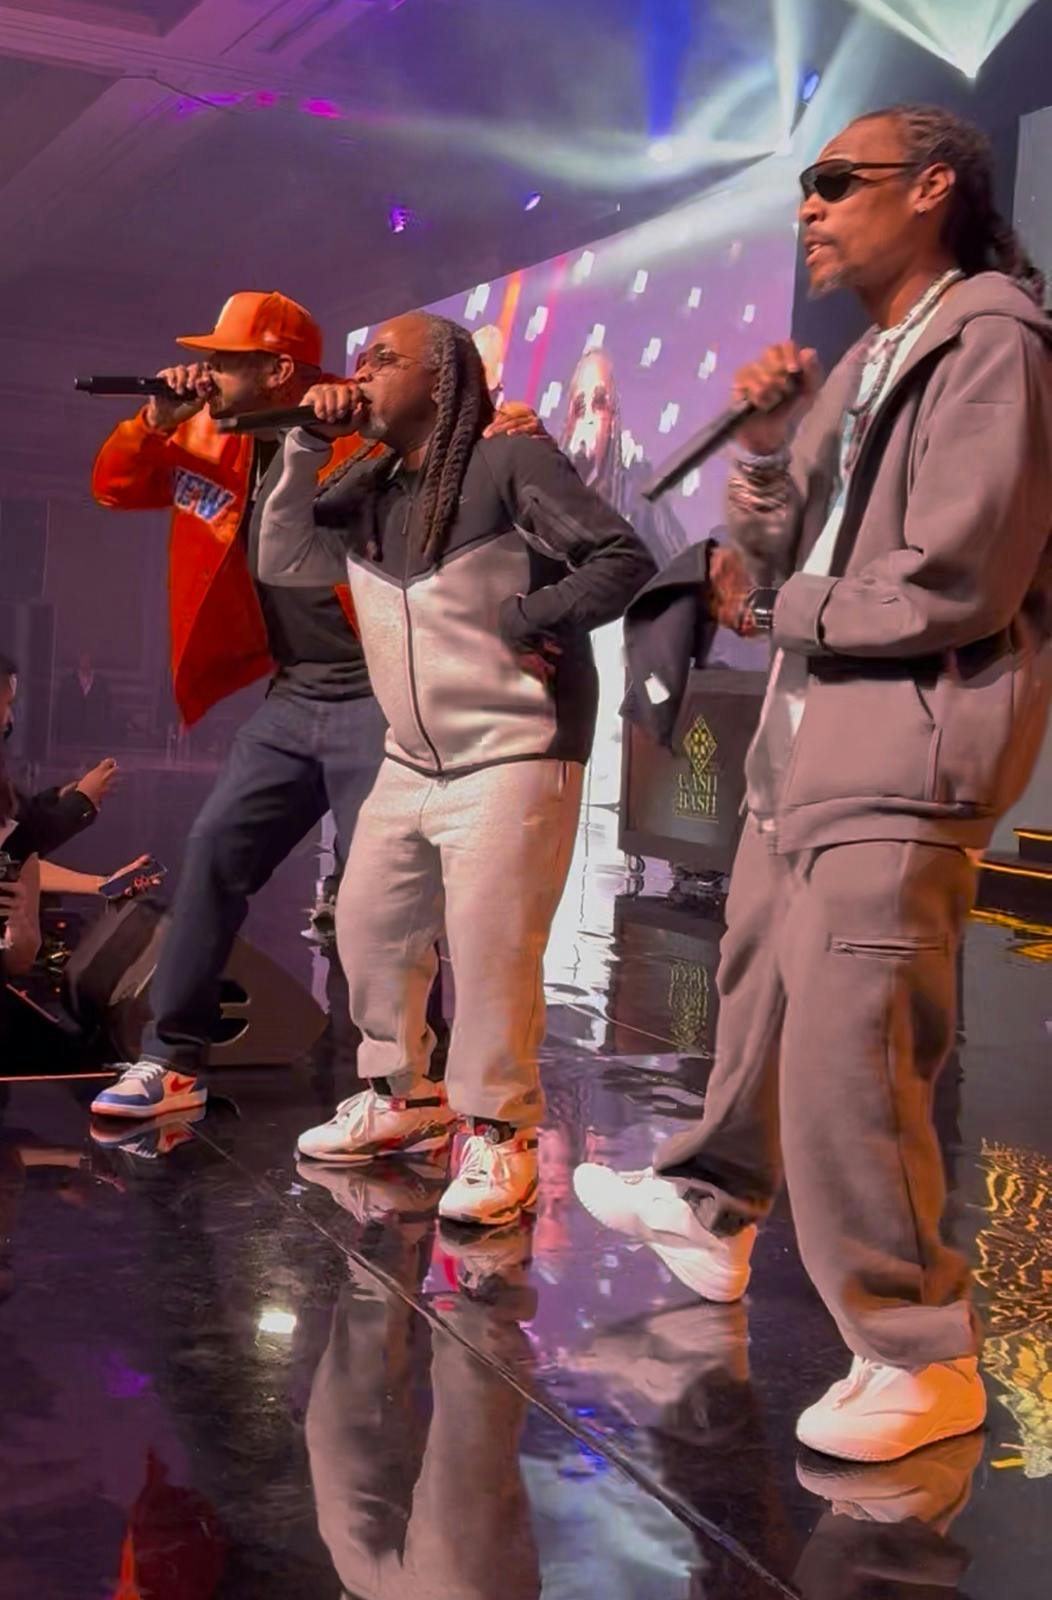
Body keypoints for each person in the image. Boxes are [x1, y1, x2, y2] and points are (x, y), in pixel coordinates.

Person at [574, 103, 1052, 1462]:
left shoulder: (990, 340)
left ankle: (917, 1350)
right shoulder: (870, 355)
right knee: (760, 990)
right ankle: (712, 1213)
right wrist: (768, 446)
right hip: (809, 738)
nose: (809, 207)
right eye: (805, 184)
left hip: (906, 744)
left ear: (934, 187)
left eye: (838, 181)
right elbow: (773, 541)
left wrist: (776, 609)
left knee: (856, 1048)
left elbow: (957, 577)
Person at [87, 292, 539, 1122]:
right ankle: (172, 1060)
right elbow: (114, 487)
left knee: (386, 898)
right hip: (294, 693)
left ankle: (411, 1087)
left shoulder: (360, 426)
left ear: (278, 369)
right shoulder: (204, 433)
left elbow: (454, 444)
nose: (206, 371)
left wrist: (513, 426)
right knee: (214, 852)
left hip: (381, 689)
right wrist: (155, 419)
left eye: (225, 359)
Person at [257, 310, 656, 1226]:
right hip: (412, 756)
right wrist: (301, 448)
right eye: (360, 359)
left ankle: (502, 1134)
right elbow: (281, 556)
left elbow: (620, 556)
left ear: (441, 380)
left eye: (381, 359)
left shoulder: (508, 461)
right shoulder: (370, 483)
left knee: (490, 954)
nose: (360, 373)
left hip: (512, 748)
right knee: (367, 929)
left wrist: (528, 619)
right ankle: (405, 1099)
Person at [55, 652, 113, 749]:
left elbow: (107, 704)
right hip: (72, 733)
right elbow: (61, 705)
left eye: (87, 660)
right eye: (83, 659)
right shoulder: (68, 682)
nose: (85, 662)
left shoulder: (101, 682)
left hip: (94, 733)